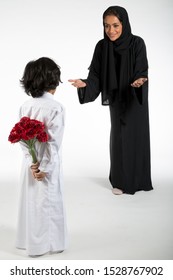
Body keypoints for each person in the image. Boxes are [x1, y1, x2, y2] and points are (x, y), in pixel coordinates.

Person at [69, 6, 153, 195]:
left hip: (134, 97)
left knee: (136, 137)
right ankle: (121, 182)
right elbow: (96, 76)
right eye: (106, 26)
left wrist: (140, 80)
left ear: (124, 23)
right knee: (119, 138)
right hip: (116, 99)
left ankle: (139, 180)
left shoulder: (137, 43)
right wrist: (85, 84)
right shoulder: (102, 46)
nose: (111, 31)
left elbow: (142, 68)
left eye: (115, 25)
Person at [16, 57, 68, 256]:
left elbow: (20, 137)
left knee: (31, 201)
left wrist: (32, 163)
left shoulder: (25, 106)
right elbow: (53, 143)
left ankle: (29, 240)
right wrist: (44, 168)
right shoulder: (56, 108)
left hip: (30, 165)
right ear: (53, 81)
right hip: (47, 165)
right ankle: (49, 244)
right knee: (50, 200)